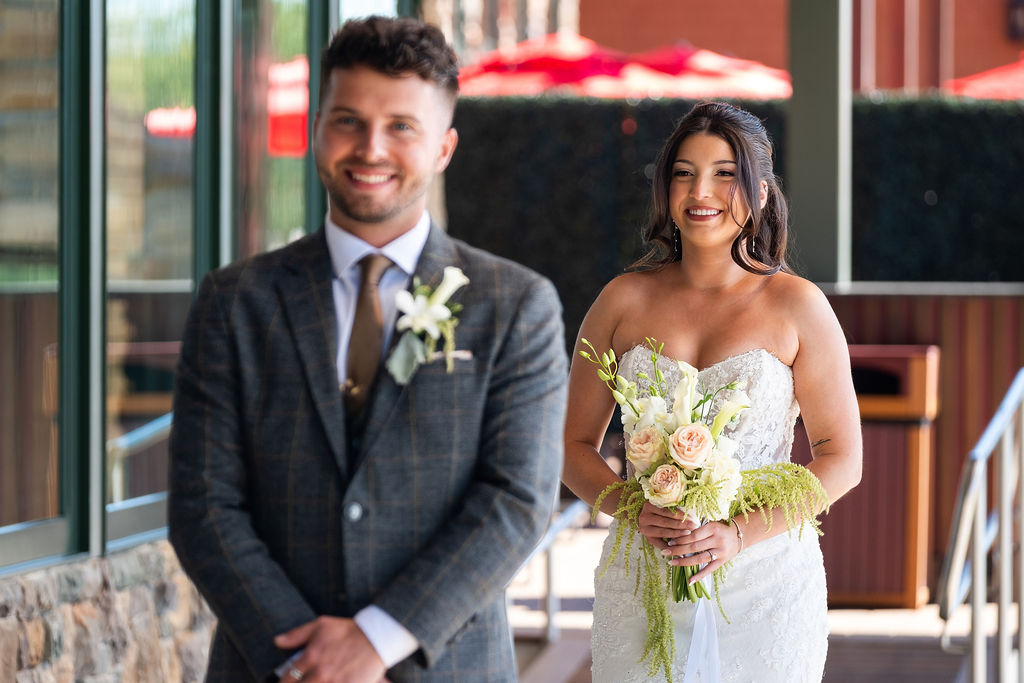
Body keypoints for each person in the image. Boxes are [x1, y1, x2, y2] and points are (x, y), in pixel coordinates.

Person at [169, 16, 568, 683]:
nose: (370, 147)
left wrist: (377, 641)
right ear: (317, 128)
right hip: (272, 667)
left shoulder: (515, 304)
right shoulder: (235, 300)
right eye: (348, 120)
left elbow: (516, 498)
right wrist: (307, 658)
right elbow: (203, 504)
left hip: (445, 666)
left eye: (402, 127)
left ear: (444, 147)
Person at [562, 101, 863, 682]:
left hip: (768, 581)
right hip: (642, 574)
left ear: (762, 192)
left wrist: (738, 534)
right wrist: (633, 508)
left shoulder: (798, 306)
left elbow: (842, 458)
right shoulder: (620, 300)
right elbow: (573, 446)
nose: (702, 190)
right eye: (683, 171)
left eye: (726, 173)